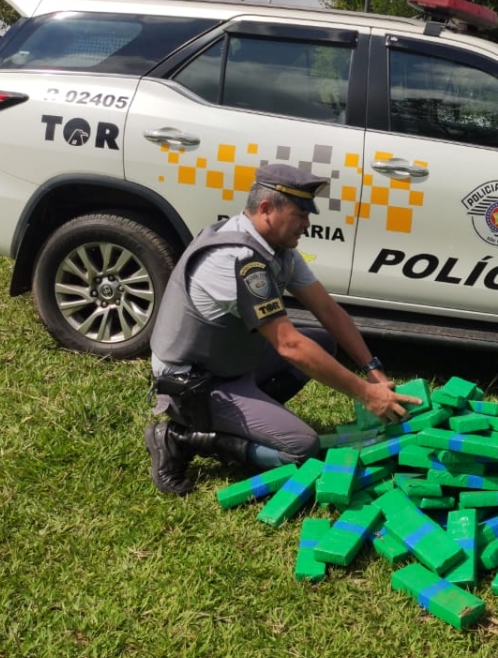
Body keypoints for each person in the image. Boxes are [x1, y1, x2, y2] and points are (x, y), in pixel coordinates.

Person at [144, 163, 417, 495]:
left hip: (227, 361)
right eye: (301, 213)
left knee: (322, 340)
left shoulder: (274, 247)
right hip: (194, 384)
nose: (307, 223)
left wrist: (372, 370)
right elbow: (289, 345)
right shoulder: (236, 259)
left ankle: (251, 418)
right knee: (302, 448)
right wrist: (367, 394)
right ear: (266, 209)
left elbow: (328, 310)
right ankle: (182, 438)